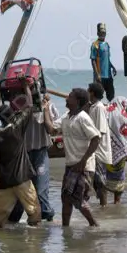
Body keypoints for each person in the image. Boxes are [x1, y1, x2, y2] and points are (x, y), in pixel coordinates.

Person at [43, 87, 101, 227]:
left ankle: (94, 226)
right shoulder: (66, 117)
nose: (66, 99)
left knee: (78, 200)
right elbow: (51, 129)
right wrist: (45, 109)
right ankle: (65, 229)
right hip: (70, 165)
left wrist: (83, 161)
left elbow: (96, 138)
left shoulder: (83, 118)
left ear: (77, 101)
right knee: (66, 198)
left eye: (70, 96)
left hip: (83, 166)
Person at [0, 87, 43, 229]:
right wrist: (25, 87)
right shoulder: (16, 128)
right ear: (12, 115)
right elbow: (30, 106)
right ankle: (33, 244)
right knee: (34, 213)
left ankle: (0, 245)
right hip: (22, 179)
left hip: (5, 182)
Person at [7, 92, 58, 223]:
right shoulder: (17, 105)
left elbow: (50, 128)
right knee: (20, 192)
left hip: (40, 151)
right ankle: (14, 220)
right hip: (23, 154)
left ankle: (47, 215)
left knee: (41, 189)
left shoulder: (47, 105)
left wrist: (45, 109)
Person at [86, 82, 113, 206]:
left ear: (92, 92)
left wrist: (92, 150)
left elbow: (100, 131)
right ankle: (102, 206)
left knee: (100, 182)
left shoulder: (99, 108)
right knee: (97, 182)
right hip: (95, 151)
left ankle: (104, 207)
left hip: (99, 151)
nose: (87, 92)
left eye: (88, 90)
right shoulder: (93, 107)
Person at [102, 96, 127, 204]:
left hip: (106, 148)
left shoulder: (106, 112)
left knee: (105, 173)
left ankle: (103, 202)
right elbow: (126, 134)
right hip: (121, 149)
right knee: (119, 174)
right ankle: (117, 201)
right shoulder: (124, 115)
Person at [90, 24, 116, 100]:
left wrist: (113, 67)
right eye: (101, 32)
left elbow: (107, 59)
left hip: (108, 75)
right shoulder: (95, 45)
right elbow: (93, 60)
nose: (102, 34)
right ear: (98, 33)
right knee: (98, 97)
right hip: (99, 77)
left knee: (111, 96)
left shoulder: (107, 45)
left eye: (104, 33)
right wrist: (97, 74)